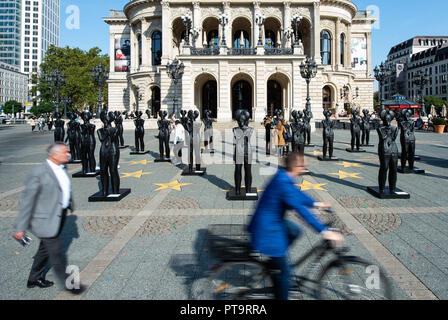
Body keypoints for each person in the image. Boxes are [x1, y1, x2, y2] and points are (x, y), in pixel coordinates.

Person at [247, 152, 344, 300]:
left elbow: (296, 195)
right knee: (285, 276)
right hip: (267, 230)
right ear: (295, 166)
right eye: (302, 165)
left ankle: (277, 263)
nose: (304, 167)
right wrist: (324, 231)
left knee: (295, 230)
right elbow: (302, 211)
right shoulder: (283, 183)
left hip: (270, 221)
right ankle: (279, 267)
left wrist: (316, 203)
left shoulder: (283, 176)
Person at [13, 142, 85, 294]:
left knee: (45, 248)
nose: (68, 155)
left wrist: (69, 203)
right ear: (54, 154)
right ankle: (69, 285)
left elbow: (63, 188)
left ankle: (34, 277)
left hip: (60, 213)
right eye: (65, 152)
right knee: (55, 249)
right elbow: (28, 201)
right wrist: (20, 227)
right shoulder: (39, 172)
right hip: (47, 217)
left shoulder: (61, 167)